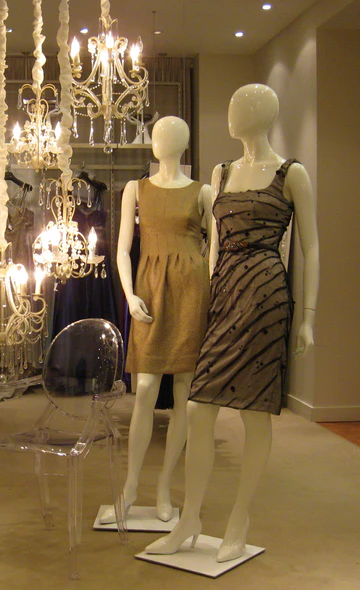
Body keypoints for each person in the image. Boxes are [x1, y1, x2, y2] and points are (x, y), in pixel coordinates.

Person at [145, 84, 319, 561]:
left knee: (254, 413)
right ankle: (190, 519)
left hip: (265, 298)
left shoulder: (291, 173)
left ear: (264, 114)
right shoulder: (220, 173)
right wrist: (205, 294)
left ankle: (239, 520)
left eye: (240, 106)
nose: (231, 112)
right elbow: (214, 247)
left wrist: (307, 317)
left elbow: (311, 247)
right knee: (199, 407)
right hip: (224, 296)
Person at [100, 116, 212, 524]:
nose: (161, 140)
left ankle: (164, 487)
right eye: (158, 134)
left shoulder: (203, 192)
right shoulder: (136, 188)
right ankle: (130, 487)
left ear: (184, 142)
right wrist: (130, 295)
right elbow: (121, 250)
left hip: (190, 292)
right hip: (148, 290)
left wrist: (209, 294)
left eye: (170, 134)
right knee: (145, 387)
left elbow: (214, 252)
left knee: (184, 393)